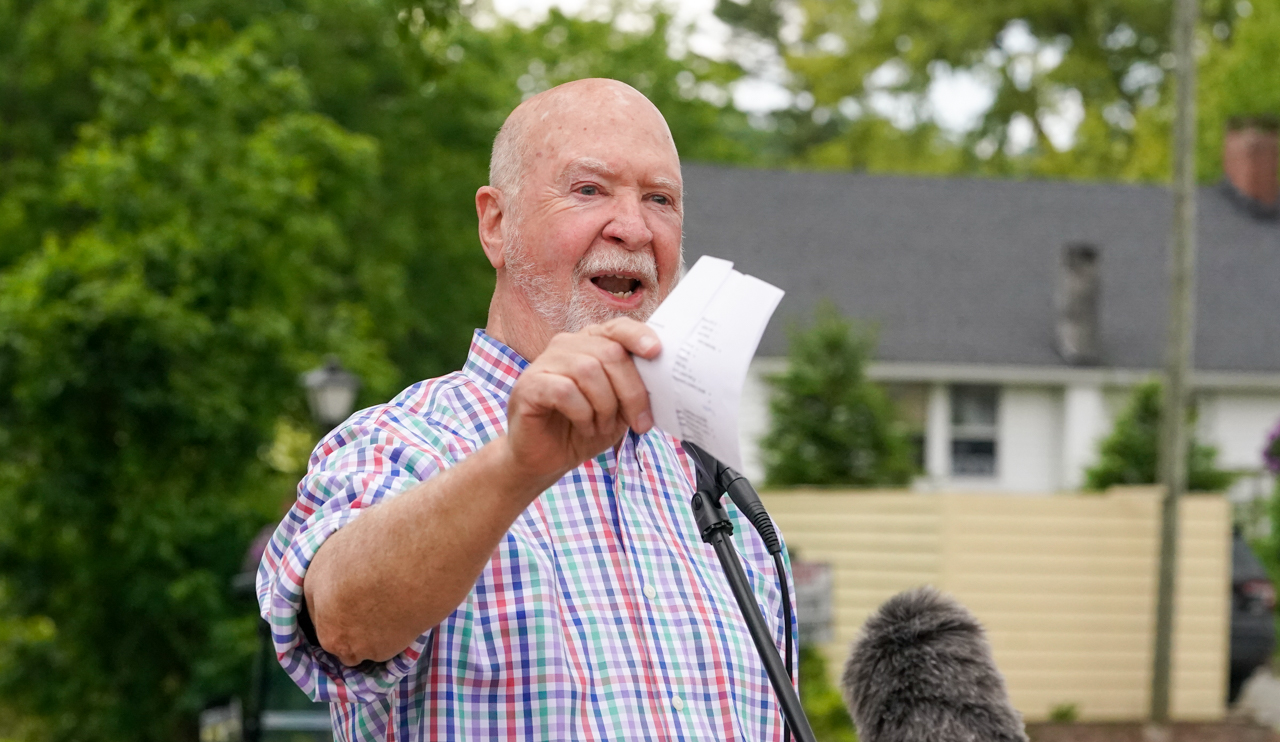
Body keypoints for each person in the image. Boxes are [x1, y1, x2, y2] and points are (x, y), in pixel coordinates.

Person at [257, 78, 794, 741]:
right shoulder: (401, 441)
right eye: (589, 190)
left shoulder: (717, 493)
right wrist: (517, 465)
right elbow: (343, 623)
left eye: (660, 199)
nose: (633, 227)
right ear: (496, 224)